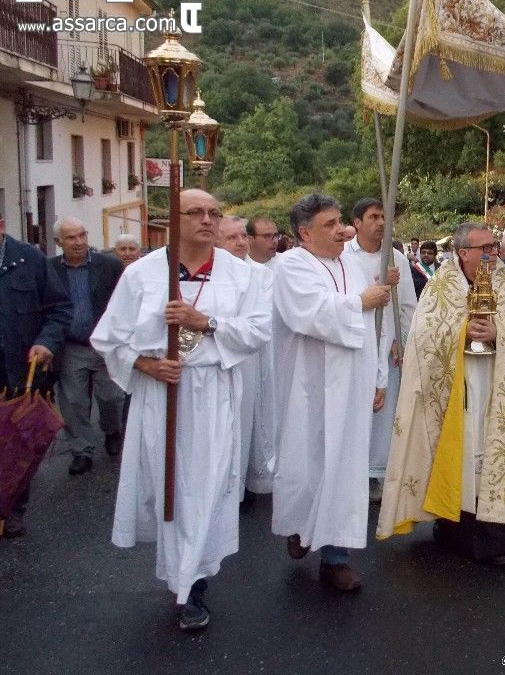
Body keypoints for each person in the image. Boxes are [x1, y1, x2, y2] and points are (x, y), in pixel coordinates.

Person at [91, 189, 272, 631]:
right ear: (174, 219)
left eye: (214, 213)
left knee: (208, 487)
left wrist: (204, 322)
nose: (207, 220)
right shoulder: (142, 274)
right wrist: (147, 364)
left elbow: (258, 331)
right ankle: (182, 576)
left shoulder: (240, 274)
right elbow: (109, 339)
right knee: (170, 484)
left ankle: (193, 584)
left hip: (214, 393)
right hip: (163, 396)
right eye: (196, 212)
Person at [377, 222, 505, 566]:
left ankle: (494, 539)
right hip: (456, 389)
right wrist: (462, 331)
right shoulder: (441, 287)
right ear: (462, 253)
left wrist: (499, 332)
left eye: (494, 247)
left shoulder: (504, 283)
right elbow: (423, 338)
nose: (491, 254)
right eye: (484, 248)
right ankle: (452, 528)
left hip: (497, 387)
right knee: (460, 452)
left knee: (493, 455)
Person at [271, 194, 391, 593]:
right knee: (310, 464)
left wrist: (378, 378)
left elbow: (373, 329)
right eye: (330, 224)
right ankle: (302, 529)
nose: (343, 230)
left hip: (352, 388)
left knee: (346, 469)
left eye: (341, 221)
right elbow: (311, 314)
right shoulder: (290, 266)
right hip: (310, 390)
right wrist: (361, 301)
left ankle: (336, 558)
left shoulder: (352, 264)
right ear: (305, 233)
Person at [0, 211, 72, 538]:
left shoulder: (30, 260)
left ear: (2, 226)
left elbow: (59, 309)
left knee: (15, 450)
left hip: (19, 375)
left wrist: (46, 342)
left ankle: (13, 510)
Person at [347, 198, 417, 502]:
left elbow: (408, 305)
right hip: (355, 342)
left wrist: (402, 340)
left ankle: (376, 473)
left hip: (386, 345)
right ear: (357, 222)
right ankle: (349, 471)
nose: (380, 222)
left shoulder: (396, 258)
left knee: (383, 411)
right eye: (373, 216)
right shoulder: (345, 257)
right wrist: (381, 284)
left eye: (384, 217)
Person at [49, 217, 125, 473]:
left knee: (112, 397)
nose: (79, 242)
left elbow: (125, 302)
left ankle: (112, 431)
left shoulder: (110, 265)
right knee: (73, 402)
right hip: (71, 346)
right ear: (58, 242)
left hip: (106, 344)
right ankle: (82, 450)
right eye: (71, 238)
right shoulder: (50, 270)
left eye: (82, 235)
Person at [218, 216, 276, 499]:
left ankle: (242, 484)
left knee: (248, 419)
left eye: (242, 236)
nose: (240, 242)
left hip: (251, 357)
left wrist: (219, 323)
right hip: (215, 357)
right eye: (232, 238)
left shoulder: (262, 275)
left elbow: (258, 319)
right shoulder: (210, 275)